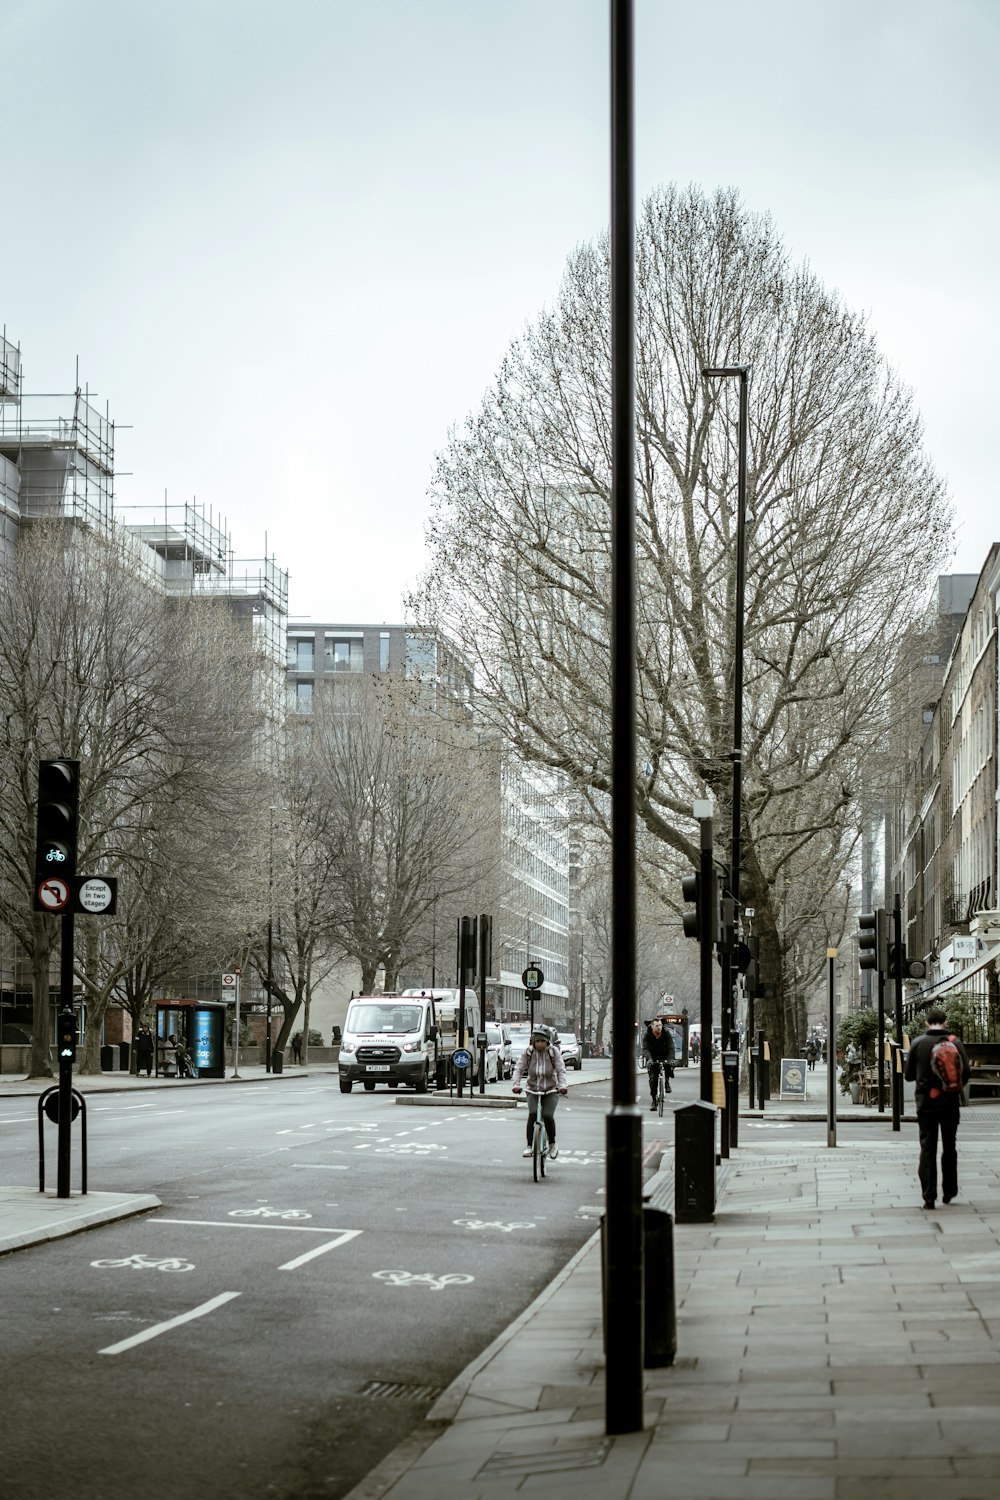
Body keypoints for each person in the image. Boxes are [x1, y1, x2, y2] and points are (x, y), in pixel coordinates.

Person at [904, 1006, 970, 1210]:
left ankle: (929, 1195)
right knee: (949, 1145)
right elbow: (965, 1073)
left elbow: (908, 1076)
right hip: (950, 1102)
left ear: (926, 1023)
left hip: (926, 1103)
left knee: (928, 1147)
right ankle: (949, 1190)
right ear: (945, 1022)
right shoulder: (955, 1043)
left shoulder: (918, 1043)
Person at [511, 1025, 567, 1159]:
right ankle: (529, 1145)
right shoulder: (528, 1053)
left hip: (551, 1090)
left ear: (548, 1041)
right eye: (537, 1041)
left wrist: (562, 1085)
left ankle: (553, 1144)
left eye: (542, 1041)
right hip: (532, 1090)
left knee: (547, 1116)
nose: (540, 1044)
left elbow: (560, 1070)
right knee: (533, 1114)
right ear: (533, 1041)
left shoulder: (553, 1052)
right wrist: (516, 1084)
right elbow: (518, 1069)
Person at [641, 1017, 675, 1108]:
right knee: (653, 1079)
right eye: (656, 1026)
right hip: (653, 1057)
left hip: (664, 1055)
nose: (659, 1027)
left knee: (669, 1066)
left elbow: (671, 1047)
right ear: (652, 1026)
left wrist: (670, 1059)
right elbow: (645, 1048)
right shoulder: (647, 1035)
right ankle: (654, 1100)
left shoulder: (666, 1033)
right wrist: (649, 1059)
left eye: (660, 1025)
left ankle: (667, 1081)